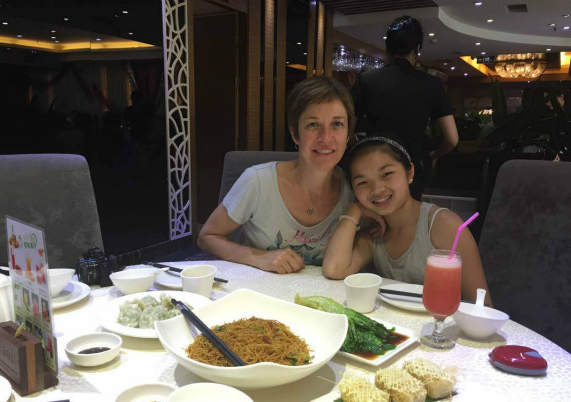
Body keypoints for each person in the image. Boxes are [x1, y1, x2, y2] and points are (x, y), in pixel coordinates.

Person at [197, 76, 355, 274]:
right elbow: (207, 237)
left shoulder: (355, 190)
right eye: (313, 125)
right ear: (295, 134)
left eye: (337, 124)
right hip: (258, 290)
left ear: (348, 135)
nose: (326, 138)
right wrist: (258, 257)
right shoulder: (258, 182)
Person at [322, 135, 492, 306]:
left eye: (387, 174)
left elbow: (483, 306)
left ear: (409, 172)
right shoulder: (373, 233)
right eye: (362, 182)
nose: (377, 189)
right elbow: (334, 269)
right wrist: (353, 211)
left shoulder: (443, 226)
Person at [350, 15, 459, 199]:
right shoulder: (432, 84)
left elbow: (346, 129)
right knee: (408, 216)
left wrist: (362, 150)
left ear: (388, 48)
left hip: (373, 167)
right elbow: (452, 139)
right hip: (412, 169)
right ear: (417, 49)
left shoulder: (367, 80)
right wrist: (434, 156)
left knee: (372, 214)